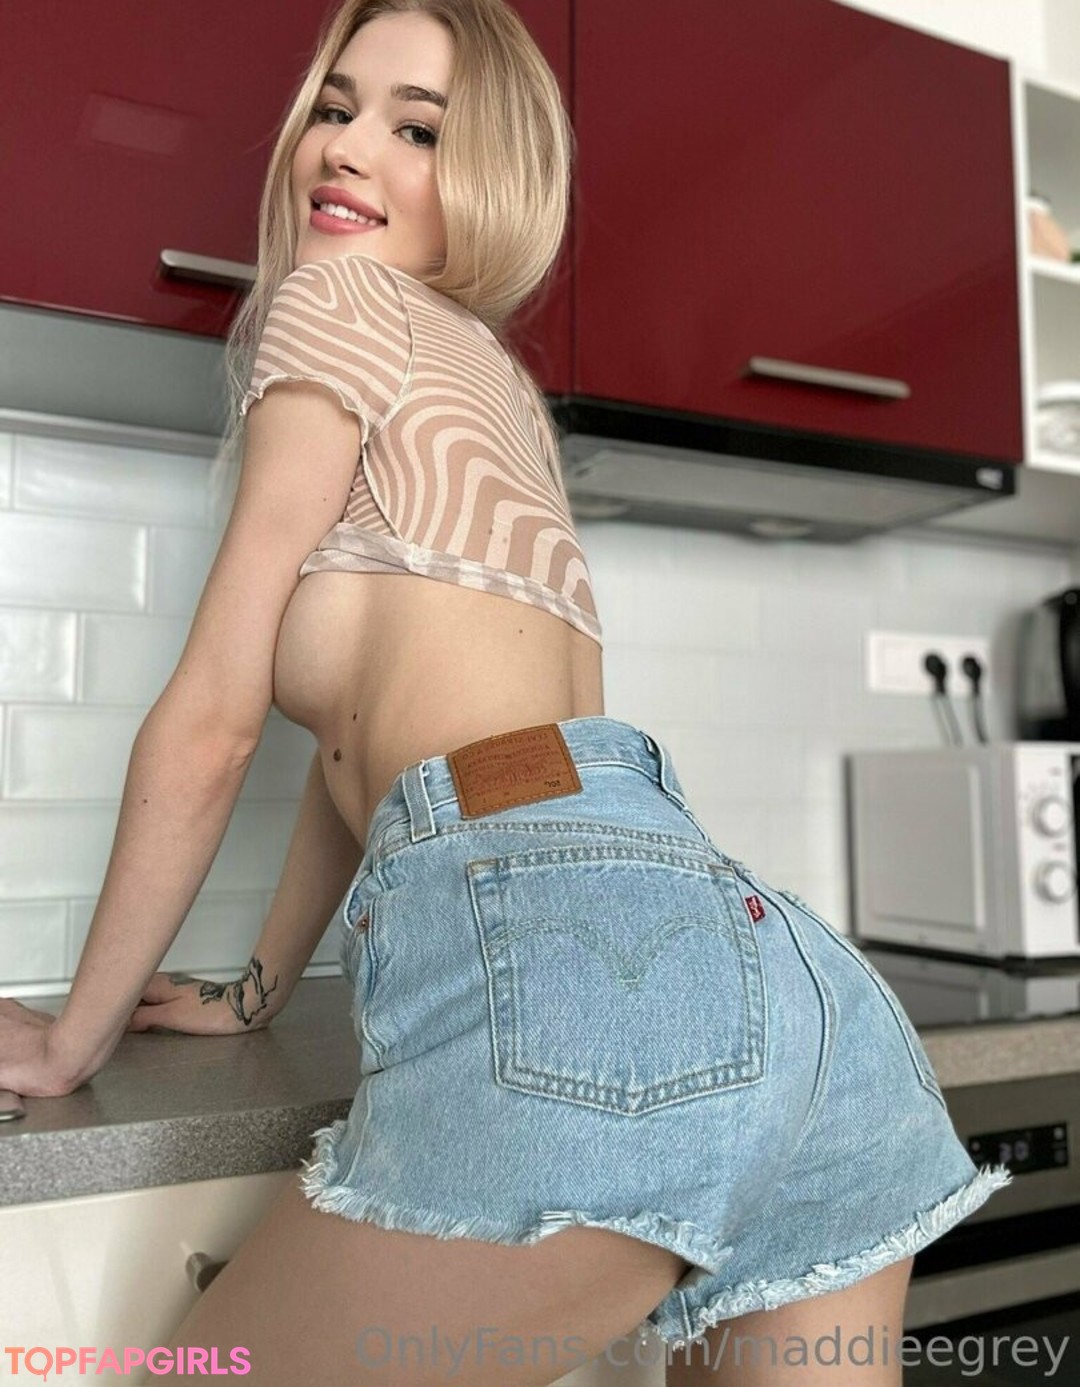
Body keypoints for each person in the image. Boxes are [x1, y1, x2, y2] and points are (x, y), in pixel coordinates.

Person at [0, 1, 1012, 1382]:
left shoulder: (331, 303)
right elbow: (394, 763)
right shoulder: (497, 390)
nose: (346, 149)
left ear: (494, 176)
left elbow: (214, 722)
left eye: (417, 130)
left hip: (587, 987)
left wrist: (73, 1039)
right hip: (788, 995)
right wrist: (258, 988)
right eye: (335, 108)